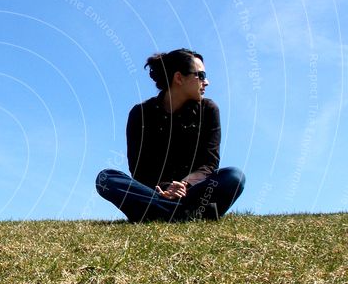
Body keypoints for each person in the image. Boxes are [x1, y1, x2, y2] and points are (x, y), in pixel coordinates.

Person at [96, 48, 245, 222]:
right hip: (154, 192)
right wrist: (165, 188)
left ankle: (158, 214)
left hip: (193, 192)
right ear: (179, 78)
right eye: (201, 76)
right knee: (106, 178)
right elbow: (139, 167)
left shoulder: (208, 110)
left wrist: (184, 185)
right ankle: (187, 214)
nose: (207, 82)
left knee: (234, 176)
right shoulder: (140, 114)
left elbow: (209, 163)